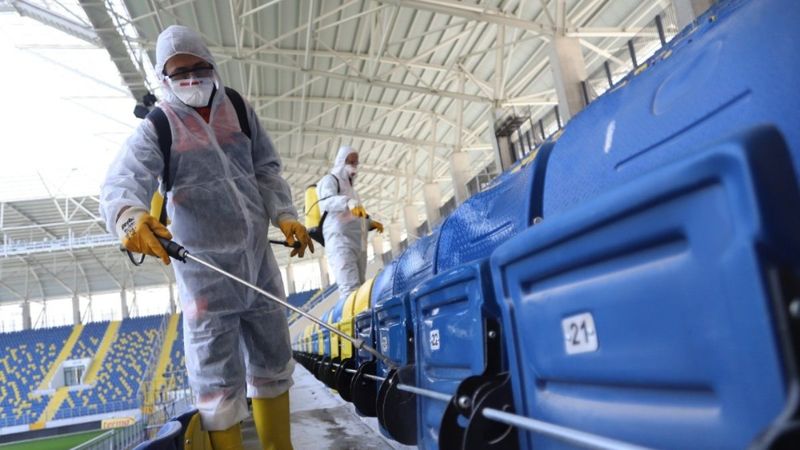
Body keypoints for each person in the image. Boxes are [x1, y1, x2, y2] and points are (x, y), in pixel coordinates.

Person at [100, 25, 311, 450]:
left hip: (257, 265)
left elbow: (265, 169)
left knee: (273, 363)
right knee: (216, 382)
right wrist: (130, 218)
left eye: (198, 68)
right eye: (180, 74)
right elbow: (122, 180)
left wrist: (285, 214)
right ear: (163, 78)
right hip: (205, 274)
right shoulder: (158, 126)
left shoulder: (237, 107)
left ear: (212, 64)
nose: (191, 79)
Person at [317, 145, 383, 300]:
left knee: (361, 289)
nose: (353, 164)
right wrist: (348, 203)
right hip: (340, 242)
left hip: (358, 245)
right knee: (350, 290)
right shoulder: (329, 180)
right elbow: (326, 202)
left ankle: (363, 323)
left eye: (355, 162)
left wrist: (370, 223)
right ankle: (353, 323)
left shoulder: (353, 192)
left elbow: (355, 217)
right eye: (350, 161)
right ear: (341, 161)